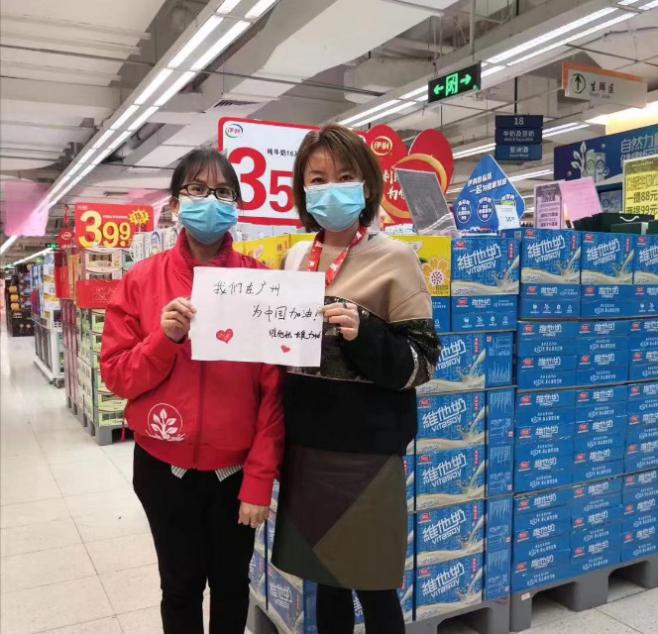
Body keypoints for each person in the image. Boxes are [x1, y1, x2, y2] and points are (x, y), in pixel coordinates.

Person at [100, 148, 284, 634]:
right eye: (197, 190)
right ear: (176, 204)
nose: (211, 201)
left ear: (236, 206)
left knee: (232, 588)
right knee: (179, 588)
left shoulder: (260, 284)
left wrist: (259, 480)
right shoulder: (141, 281)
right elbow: (117, 376)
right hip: (164, 469)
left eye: (223, 192)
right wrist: (163, 340)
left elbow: (273, 395)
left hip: (235, 473)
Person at [272, 125, 441, 634]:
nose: (332, 189)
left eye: (345, 176)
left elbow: (423, 362)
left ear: (367, 185)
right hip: (307, 449)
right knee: (326, 581)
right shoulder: (295, 259)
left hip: (367, 456)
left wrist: (365, 332)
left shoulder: (396, 258)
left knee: (375, 583)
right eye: (318, 178)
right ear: (303, 190)